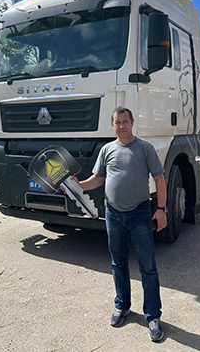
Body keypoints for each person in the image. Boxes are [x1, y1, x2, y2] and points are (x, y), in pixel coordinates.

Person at [68, 106, 168, 342]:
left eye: (125, 121)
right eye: (118, 122)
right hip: (113, 215)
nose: (122, 125)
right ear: (112, 125)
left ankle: (153, 316)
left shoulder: (145, 148)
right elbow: (98, 179)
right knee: (118, 263)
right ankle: (122, 306)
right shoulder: (107, 150)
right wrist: (77, 185)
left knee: (148, 266)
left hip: (140, 214)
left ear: (132, 123)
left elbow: (159, 179)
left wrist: (161, 209)